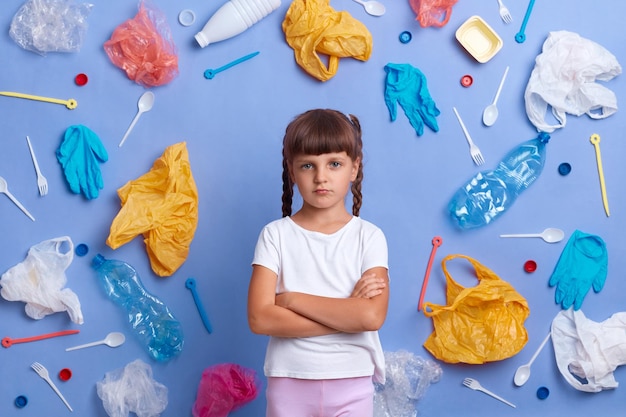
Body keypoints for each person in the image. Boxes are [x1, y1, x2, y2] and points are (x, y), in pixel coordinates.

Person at [247, 109, 390, 417]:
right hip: (290, 380)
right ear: (292, 171)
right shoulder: (275, 236)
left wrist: (291, 300)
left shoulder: (369, 237)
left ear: (354, 168)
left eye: (334, 164)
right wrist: (345, 314)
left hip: (352, 380)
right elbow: (260, 318)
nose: (321, 177)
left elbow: (371, 317)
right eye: (308, 165)